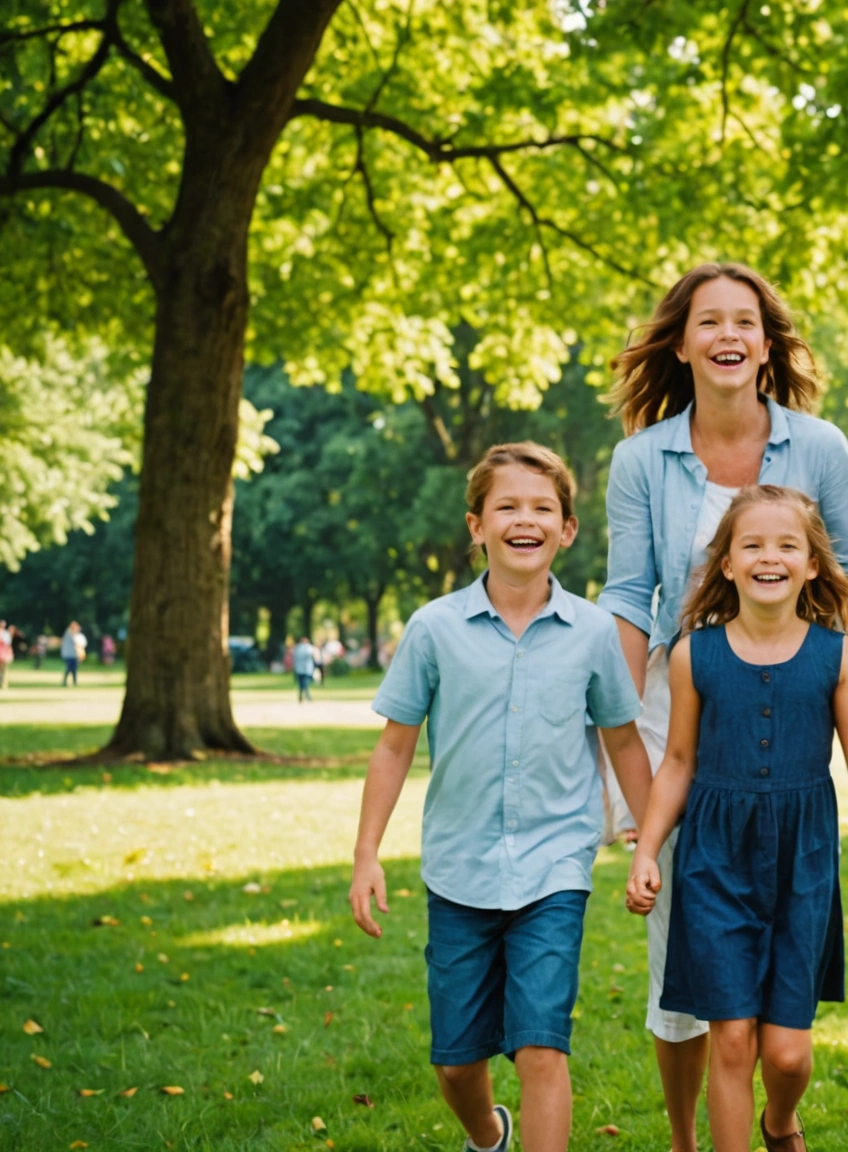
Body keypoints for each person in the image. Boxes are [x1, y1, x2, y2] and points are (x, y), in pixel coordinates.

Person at [599, 261, 848, 1151]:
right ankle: (688, 1138)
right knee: (680, 947)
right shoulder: (642, 458)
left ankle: (773, 1118)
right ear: (681, 343)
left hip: (789, 699)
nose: (726, 336)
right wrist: (606, 726)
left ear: (765, 343)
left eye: (743, 322)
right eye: (707, 322)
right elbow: (631, 595)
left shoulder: (819, 447)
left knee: (771, 1013)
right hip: (677, 710)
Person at [348, 442, 654, 1152]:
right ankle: (489, 1136)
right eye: (507, 507)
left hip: (555, 867)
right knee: (456, 1063)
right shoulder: (434, 629)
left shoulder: (592, 634)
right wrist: (367, 854)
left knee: (542, 1047)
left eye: (543, 508)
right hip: (459, 869)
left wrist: (653, 836)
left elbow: (624, 743)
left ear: (568, 529)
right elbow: (394, 747)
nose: (526, 520)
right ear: (476, 526)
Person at [625, 485, 848, 1152]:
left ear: (812, 564)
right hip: (713, 863)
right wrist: (647, 850)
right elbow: (676, 764)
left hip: (801, 866)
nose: (768, 557)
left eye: (787, 545)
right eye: (751, 544)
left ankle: (780, 1122)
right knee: (729, 1037)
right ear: (725, 563)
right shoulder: (693, 654)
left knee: (785, 1055)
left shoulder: (836, 655)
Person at [59, 622, 86, 687]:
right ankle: (67, 681)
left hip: (73, 655)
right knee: (70, 668)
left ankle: (73, 682)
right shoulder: (69, 634)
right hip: (69, 654)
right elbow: (76, 644)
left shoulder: (74, 635)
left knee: (73, 668)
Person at [292, 635, 318, 702]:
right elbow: (313, 655)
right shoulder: (308, 647)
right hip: (306, 668)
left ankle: (301, 696)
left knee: (300, 683)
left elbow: (294, 657)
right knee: (306, 683)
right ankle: (307, 696)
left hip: (299, 668)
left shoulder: (297, 648)